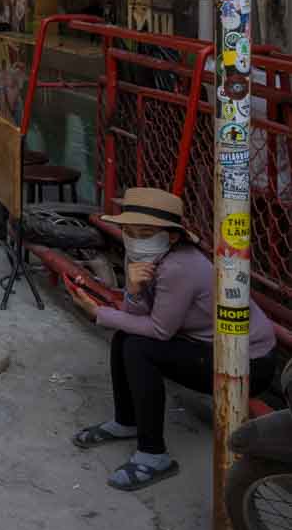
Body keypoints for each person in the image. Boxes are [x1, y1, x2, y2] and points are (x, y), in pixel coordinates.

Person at [71, 186, 277, 491]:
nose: (135, 240)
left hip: (248, 362)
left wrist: (98, 313)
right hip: (205, 346)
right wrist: (133, 289)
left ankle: (154, 456)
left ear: (171, 236)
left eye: (145, 233)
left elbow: (158, 331)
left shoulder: (180, 267)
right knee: (126, 339)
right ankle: (125, 421)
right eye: (129, 232)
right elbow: (135, 316)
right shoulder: (145, 258)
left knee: (140, 348)